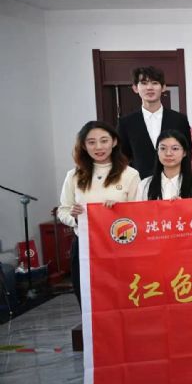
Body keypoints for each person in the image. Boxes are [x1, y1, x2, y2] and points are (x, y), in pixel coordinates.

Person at [58, 121, 140, 306]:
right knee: (89, 300)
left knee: (122, 298)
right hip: (85, 247)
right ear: (84, 145)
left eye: (104, 140)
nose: (98, 147)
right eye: (91, 142)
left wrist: (119, 210)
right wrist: (75, 218)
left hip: (120, 246)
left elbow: (138, 212)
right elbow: (63, 210)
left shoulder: (130, 174)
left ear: (114, 142)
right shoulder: (74, 175)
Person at [118, 66, 192, 179]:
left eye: (155, 83)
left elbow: (187, 152)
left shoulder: (179, 119)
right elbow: (122, 156)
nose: (149, 88)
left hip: (175, 181)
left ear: (163, 87)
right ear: (135, 88)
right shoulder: (126, 123)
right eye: (144, 83)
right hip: (139, 182)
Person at [136, 130, 192, 200]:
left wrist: (184, 206)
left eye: (175, 148)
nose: (168, 153)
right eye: (163, 148)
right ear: (157, 151)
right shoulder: (144, 186)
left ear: (184, 152)